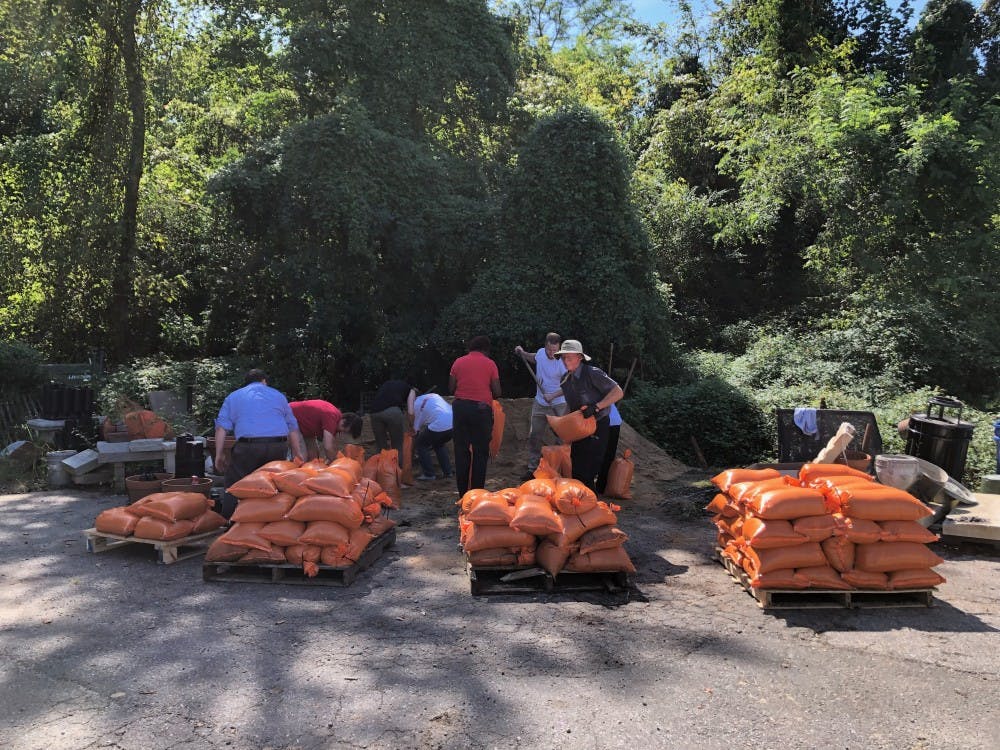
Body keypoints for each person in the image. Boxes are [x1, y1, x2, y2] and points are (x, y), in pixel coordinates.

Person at [214, 369, 306, 519]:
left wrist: (219, 454)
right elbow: (292, 427)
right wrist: (297, 452)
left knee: (235, 484)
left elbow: (221, 428)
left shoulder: (234, 397)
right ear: (264, 381)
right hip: (277, 446)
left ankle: (230, 522)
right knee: (274, 484)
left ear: (246, 383)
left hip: (248, 447)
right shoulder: (278, 395)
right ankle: (275, 520)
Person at [555, 340, 624, 494]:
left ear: (580, 357)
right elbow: (570, 407)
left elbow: (618, 392)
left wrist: (596, 407)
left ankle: (589, 505)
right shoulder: (565, 380)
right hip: (579, 429)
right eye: (563, 358)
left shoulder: (592, 373)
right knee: (577, 468)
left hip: (598, 425)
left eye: (569, 358)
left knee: (589, 469)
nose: (566, 361)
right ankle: (580, 503)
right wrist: (562, 425)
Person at [449, 335, 501, 497]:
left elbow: (451, 388)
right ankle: (477, 494)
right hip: (481, 411)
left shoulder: (458, 362)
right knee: (480, 452)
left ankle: (463, 494)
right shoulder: (490, 364)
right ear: (486, 350)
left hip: (461, 409)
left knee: (461, 451)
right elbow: (497, 392)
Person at [514, 332, 568, 481]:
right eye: (549, 350)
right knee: (535, 435)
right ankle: (532, 468)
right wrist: (522, 353)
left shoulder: (563, 362)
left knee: (561, 437)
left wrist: (552, 396)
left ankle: (558, 469)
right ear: (545, 346)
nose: (552, 353)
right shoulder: (540, 353)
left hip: (559, 403)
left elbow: (569, 386)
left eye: (555, 350)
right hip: (540, 402)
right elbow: (534, 358)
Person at [289, 400, 363, 461]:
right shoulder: (331, 416)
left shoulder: (336, 419)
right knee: (301, 458)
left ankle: (310, 473)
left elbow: (333, 445)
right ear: (344, 421)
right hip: (289, 417)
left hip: (305, 427)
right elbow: (328, 446)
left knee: (313, 457)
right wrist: (334, 463)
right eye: (344, 429)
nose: (342, 432)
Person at [409, 392, 454, 481]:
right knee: (438, 444)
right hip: (454, 423)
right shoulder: (434, 395)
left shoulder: (415, 405)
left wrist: (411, 453)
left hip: (440, 424)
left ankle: (429, 474)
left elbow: (415, 431)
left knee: (421, 444)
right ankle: (448, 472)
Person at [367, 378, 416, 454]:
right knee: (397, 445)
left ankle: (381, 464)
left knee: (381, 445)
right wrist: (411, 426)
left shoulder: (388, 383)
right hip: (392, 412)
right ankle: (397, 465)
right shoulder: (411, 390)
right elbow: (410, 411)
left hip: (374, 412)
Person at [596, 402, 622, 495]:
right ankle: (600, 487)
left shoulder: (593, 391)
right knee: (607, 454)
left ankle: (600, 486)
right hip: (611, 421)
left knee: (604, 454)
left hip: (609, 422)